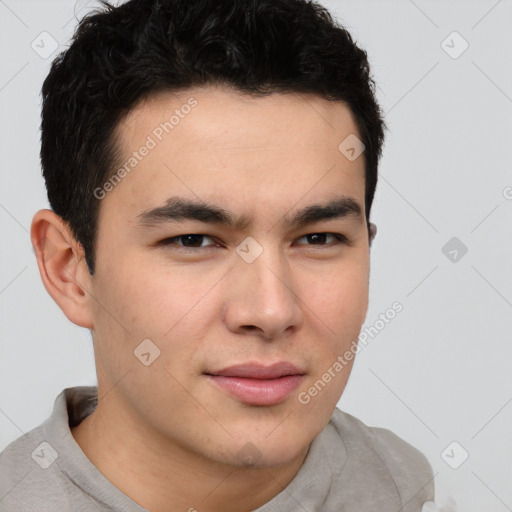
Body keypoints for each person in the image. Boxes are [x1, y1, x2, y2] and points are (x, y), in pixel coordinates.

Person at [0, 0, 436, 510]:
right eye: (194, 241)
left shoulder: (415, 492)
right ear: (69, 270)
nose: (271, 311)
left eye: (318, 238)